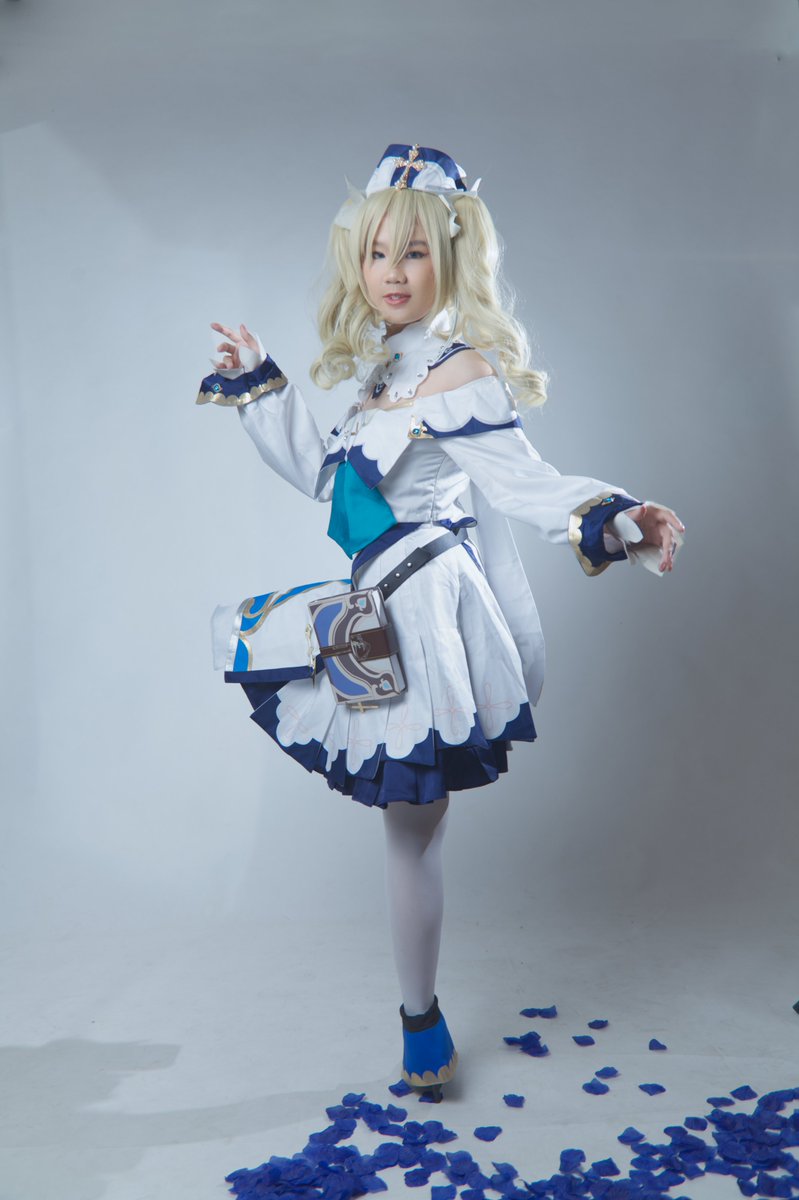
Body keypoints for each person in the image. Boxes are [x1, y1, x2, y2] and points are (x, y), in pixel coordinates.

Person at [197, 143, 684, 1101]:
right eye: (377, 252)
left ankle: (420, 1020)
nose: (391, 272)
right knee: (407, 827)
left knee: (412, 823)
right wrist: (261, 383)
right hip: (375, 604)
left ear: (450, 258)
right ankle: (420, 1016)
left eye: (414, 253)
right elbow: (330, 483)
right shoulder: (387, 372)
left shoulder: (459, 373)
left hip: (425, 610)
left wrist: (621, 519)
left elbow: (525, 483)